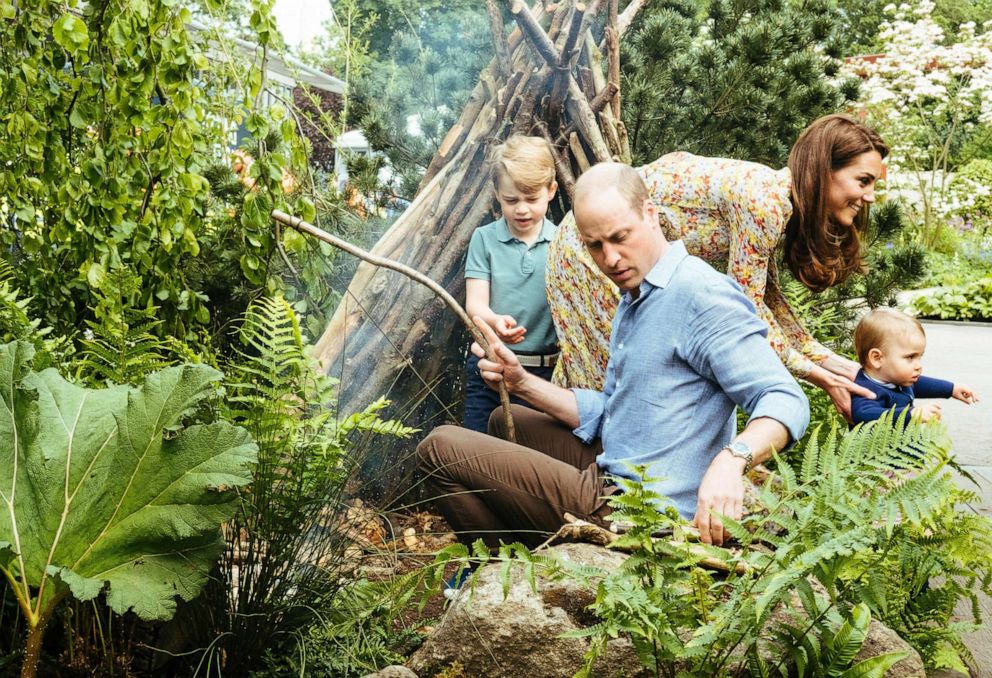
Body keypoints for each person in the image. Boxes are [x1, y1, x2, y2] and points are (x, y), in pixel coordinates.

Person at [417, 163, 809, 577]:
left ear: (652, 214)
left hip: (640, 513)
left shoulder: (701, 295)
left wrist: (732, 460)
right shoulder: (637, 294)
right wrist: (522, 384)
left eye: (621, 237)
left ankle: (508, 575)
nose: (611, 258)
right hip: (622, 463)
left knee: (439, 448)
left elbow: (785, 399)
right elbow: (619, 410)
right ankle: (526, 561)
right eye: (595, 246)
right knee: (503, 418)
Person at [547, 114, 889, 421]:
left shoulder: (778, 201)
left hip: (604, 245)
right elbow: (748, 311)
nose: (870, 196)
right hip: (586, 246)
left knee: (610, 373)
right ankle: (601, 482)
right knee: (616, 377)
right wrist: (817, 375)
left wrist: (831, 362)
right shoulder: (765, 202)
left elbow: (769, 300)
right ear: (824, 170)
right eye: (863, 180)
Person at [462, 135, 561, 432]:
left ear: (551, 191)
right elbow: (475, 304)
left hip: (545, 375)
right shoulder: (485, 239)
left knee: (533, 460)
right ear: (497, 194)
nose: (522, 209)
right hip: (490, 368)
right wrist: (494, 321)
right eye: (511, 200)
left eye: (532, 199)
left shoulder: (562, 243)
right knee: (479, 453)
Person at [850, 308, 978, 427]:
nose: (919, 366)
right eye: (910, 357)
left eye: (919, 357)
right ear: (877, 358)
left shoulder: (897, 379)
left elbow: (918, 384)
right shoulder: (866, 390)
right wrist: (911, 414)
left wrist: (952, 389)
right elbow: (863, 415)